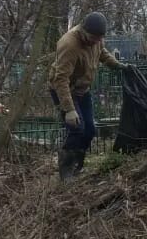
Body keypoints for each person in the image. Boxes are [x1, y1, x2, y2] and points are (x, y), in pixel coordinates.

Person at [49, 11, 126, 181]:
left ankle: (77, 163)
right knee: (77, 128)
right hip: (63, 90)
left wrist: (118, 66)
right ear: (84, 31)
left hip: (82, 90)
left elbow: (102, 52)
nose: (97, 41)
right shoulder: (69, 44)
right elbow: (60, 79)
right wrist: (69, 110)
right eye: (94, 38)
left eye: (99, 38)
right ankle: (66, 169)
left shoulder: (96, 39)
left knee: (90, 130)